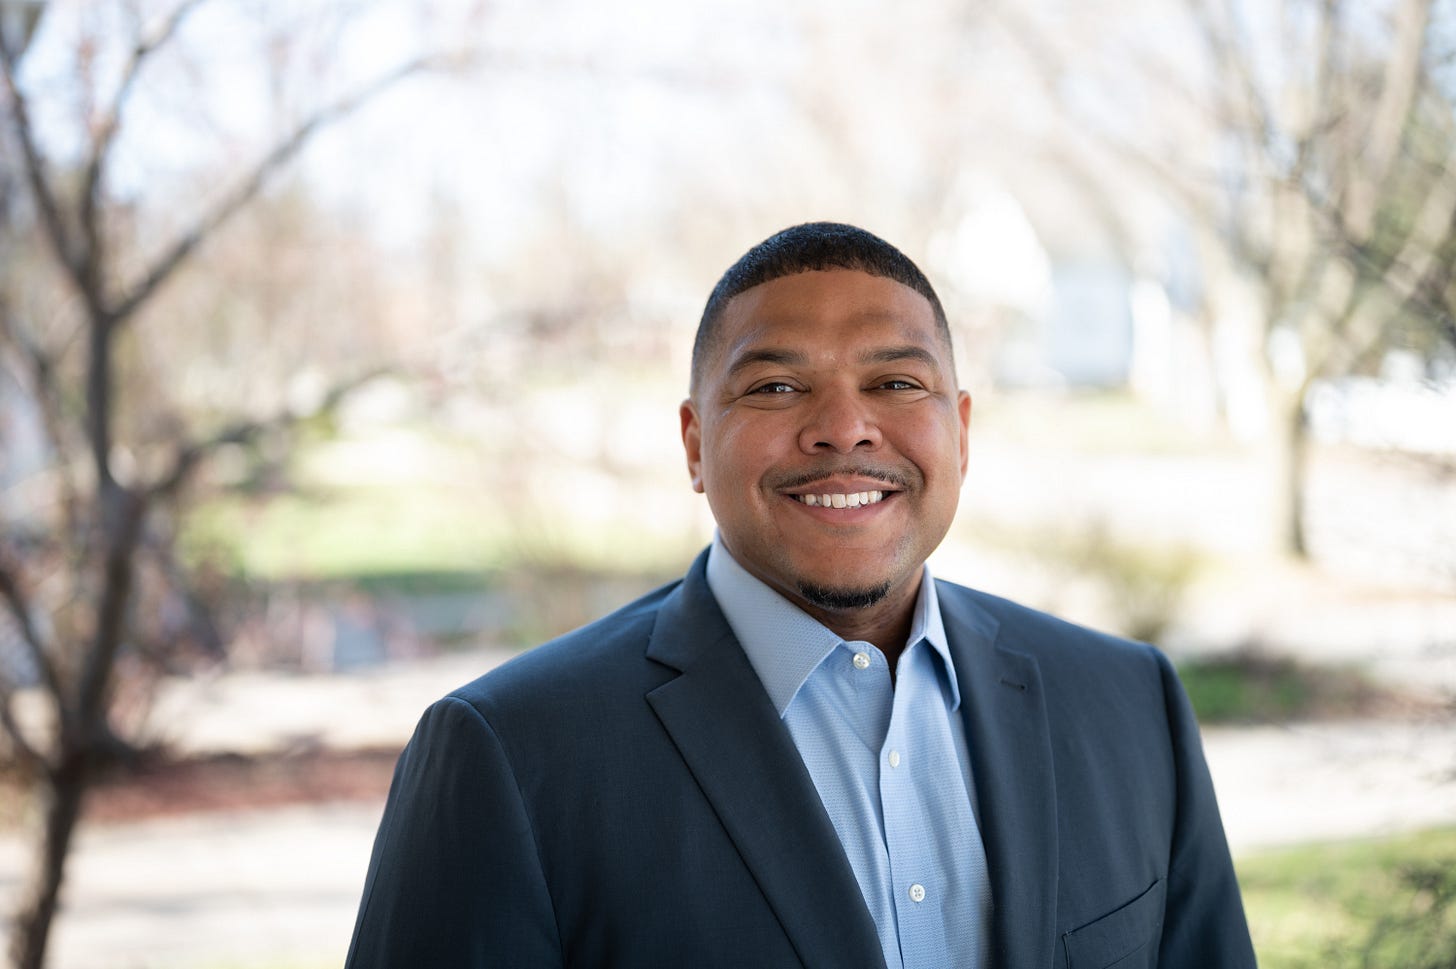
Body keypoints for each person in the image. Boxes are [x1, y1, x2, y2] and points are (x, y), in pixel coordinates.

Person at [344, 222, 1256, 969]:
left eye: (895, 381)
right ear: (696, 444)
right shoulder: (510, 754)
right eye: (778, 385)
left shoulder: (1129, 704)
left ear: (962, 431)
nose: (844, 427)